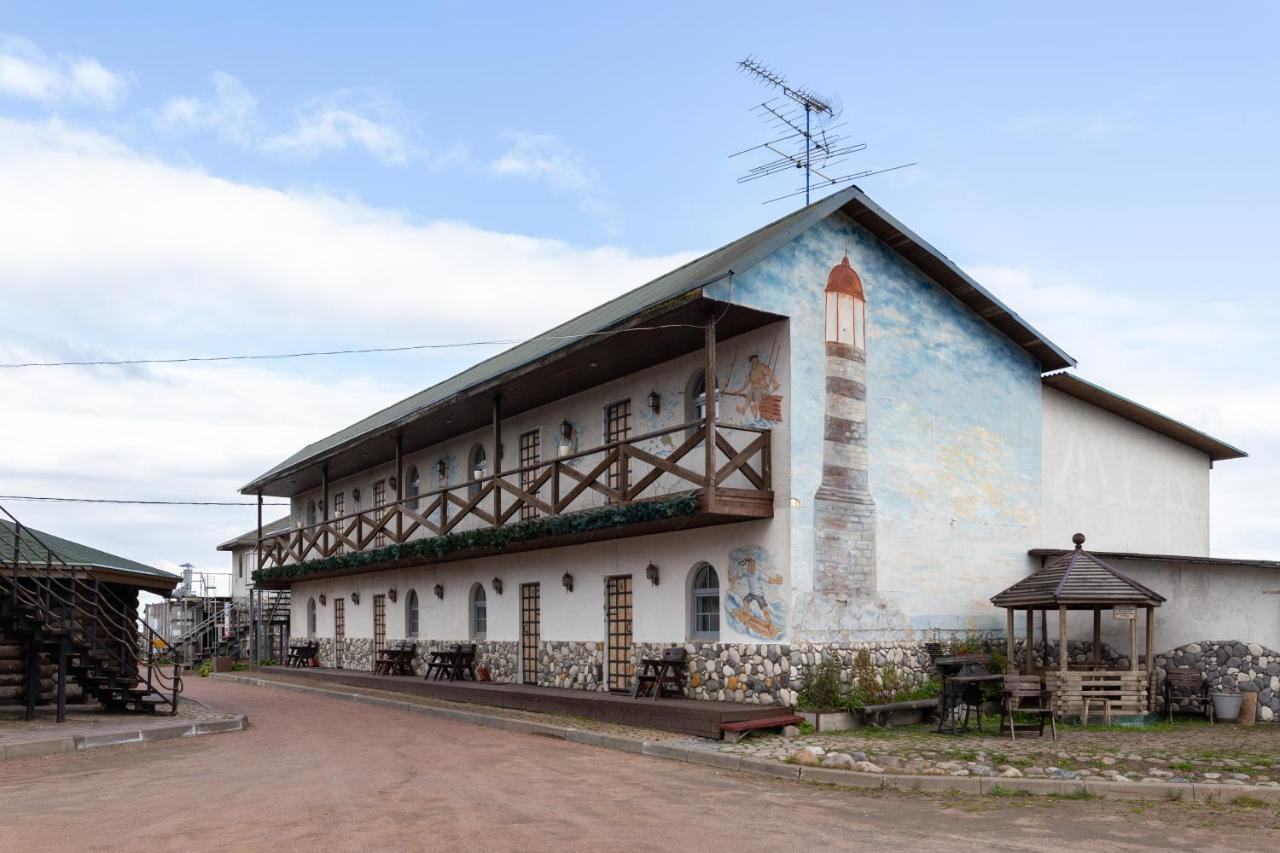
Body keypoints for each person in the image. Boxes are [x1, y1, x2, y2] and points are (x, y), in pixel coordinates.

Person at [728, 354, 780, 419]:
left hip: (764, 390)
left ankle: (755, 409)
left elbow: (770, 374)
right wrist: (738, 391)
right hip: (754, 391)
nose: (754, 363)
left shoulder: (762, 367)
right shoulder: (751, 372)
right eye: (753, 362)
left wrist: (775, 383)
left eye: (756, 361)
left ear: (757, 360)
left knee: (757, 392)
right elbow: (745, 384)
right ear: (751, 362)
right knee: (750, 392)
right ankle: (743, 409)